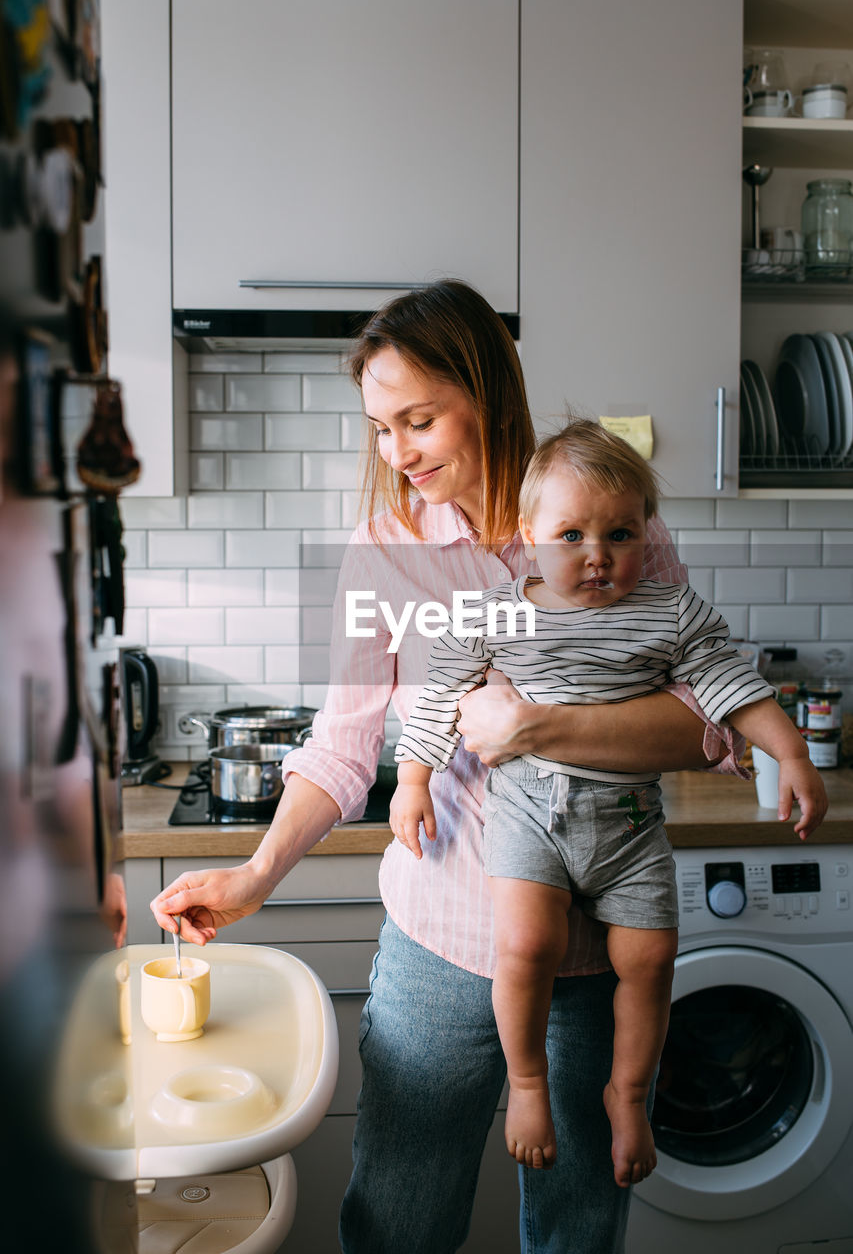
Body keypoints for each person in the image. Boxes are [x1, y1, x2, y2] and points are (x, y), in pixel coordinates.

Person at [151, 279, 756, 1254]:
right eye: (381, 428)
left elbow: (701, 725)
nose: (396, 452)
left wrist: (537, 725)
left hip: (594, 945)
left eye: (418, 419)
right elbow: (345, 742)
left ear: (485, 387)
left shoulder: (601, 524)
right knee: (396, 1220)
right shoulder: (383, 549)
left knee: (576, 1226)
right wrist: (255, 873)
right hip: (438, 943)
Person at [391, 419, 828, 1184]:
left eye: (620, 533)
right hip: (527, 812)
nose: (597, 555)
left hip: (628, 821)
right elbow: (438, 698)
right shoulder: (492, 613)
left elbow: (728, 690)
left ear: (645, 531)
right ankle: (528, 1089)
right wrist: (413, 778)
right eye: (571, 535)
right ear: (529, 536)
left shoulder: (671, 612)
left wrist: (789, 750)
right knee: (526, 948)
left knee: (650, 958)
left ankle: (627, 1094)